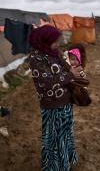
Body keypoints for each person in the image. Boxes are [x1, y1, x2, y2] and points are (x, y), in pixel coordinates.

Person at [28, 25, 82, 171]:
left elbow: (65, 68)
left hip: (65, 102)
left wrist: (73, 68)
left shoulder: (54, 52)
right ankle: (54, 167)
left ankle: (65, 162)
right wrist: (71, 75)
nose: (57, 44)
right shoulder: (35, 58)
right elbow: (47, 82)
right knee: (54, 139)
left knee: (65, 134)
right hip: (52, 105)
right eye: (54, 41)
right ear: (44, 41)